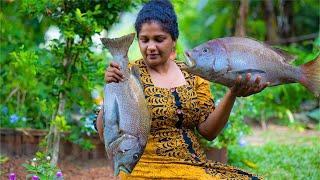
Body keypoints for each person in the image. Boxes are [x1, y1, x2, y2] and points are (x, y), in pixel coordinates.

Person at [96, 0, 268, 179]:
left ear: (173, 41)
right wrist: (111, 87)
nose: (151, 47)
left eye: (159, 39)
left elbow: (208, 132)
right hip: (143, 170)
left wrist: (232, 92)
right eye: (144, 40)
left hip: (193, 166)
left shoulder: (193, 75)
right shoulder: (129, 75)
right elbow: (105, 132)